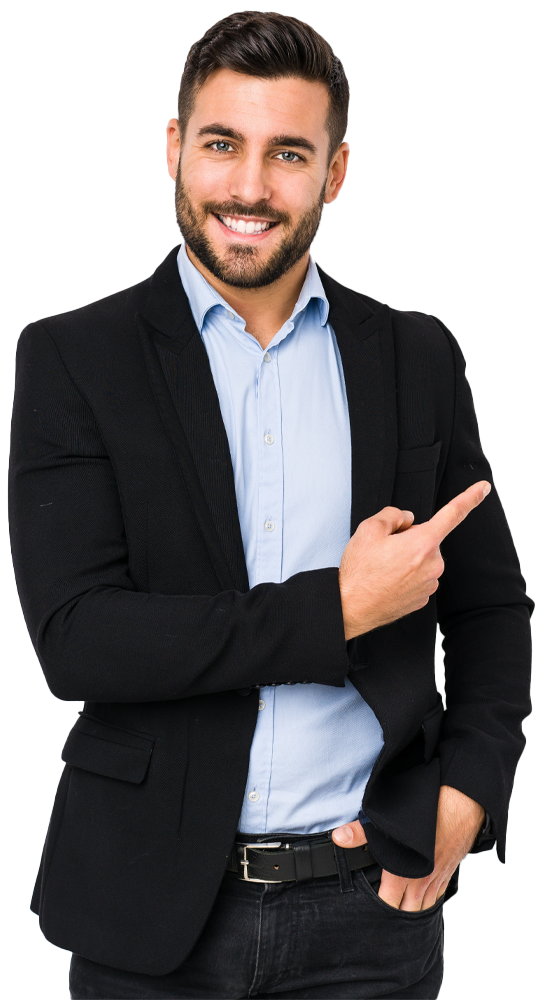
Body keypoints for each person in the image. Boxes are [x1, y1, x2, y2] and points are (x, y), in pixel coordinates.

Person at [8, 11, 533, 1000]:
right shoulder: (74, 358)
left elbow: (492, 607)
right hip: (149, 911)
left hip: (372, 908)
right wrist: (336, 609)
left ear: (336, 171)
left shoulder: (415, 356)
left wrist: (471, 790)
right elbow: (78, 639)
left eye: (288, 153)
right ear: (173, 149)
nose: (249, 187)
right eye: (221, 144)